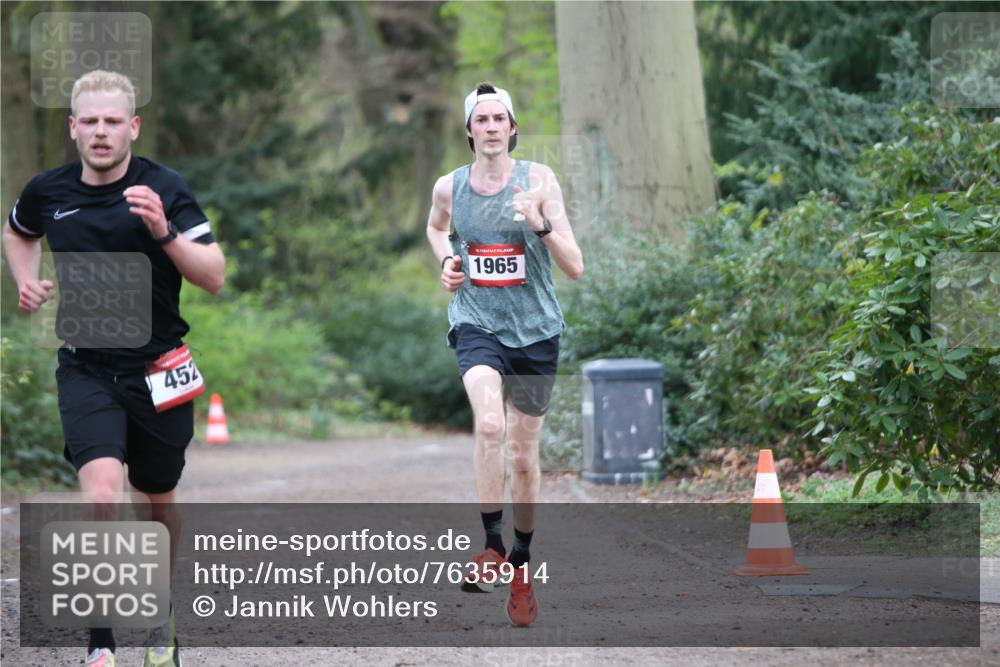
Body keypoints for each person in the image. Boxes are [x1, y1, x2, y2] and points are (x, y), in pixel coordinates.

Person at [3, 70, 225, 667]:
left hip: (160, 369)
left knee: (157, 500)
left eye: (112, 122)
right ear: (74, 128)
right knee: (101, 496)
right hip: (87, 368)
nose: (101, 132)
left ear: (133, 127)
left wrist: (164, 231)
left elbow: (213, 275)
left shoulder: (165, 187)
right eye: (90, 122)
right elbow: (17, 229)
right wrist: (26, 281)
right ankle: (100, 644)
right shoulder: (48, 191)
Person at [425, 82, 584, 626]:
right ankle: (491, 546)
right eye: (482, 119)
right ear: (469, 130)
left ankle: (521, 561)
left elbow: (576, 265)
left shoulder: (539, 181)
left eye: (500, 119)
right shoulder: (449, 187)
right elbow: (435, 227)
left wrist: (538, 224)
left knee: (522, 455)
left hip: (537, 331)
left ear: (512, 128)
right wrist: (447, 261)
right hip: (477, 323)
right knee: (489, 424)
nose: (491, 127)